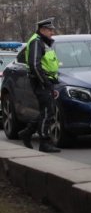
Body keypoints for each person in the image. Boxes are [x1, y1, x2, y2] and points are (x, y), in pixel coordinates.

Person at [18, 18, 61, 153]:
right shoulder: (37, 42)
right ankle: (44, 142)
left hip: (46, 81)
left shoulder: (42, 41)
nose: (52, 33)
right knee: (48, 112)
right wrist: (45, 83)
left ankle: (27, 132)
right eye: (50, 30)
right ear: (42, 30)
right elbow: (34, 65)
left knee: (47, 111)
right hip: (41, 81)